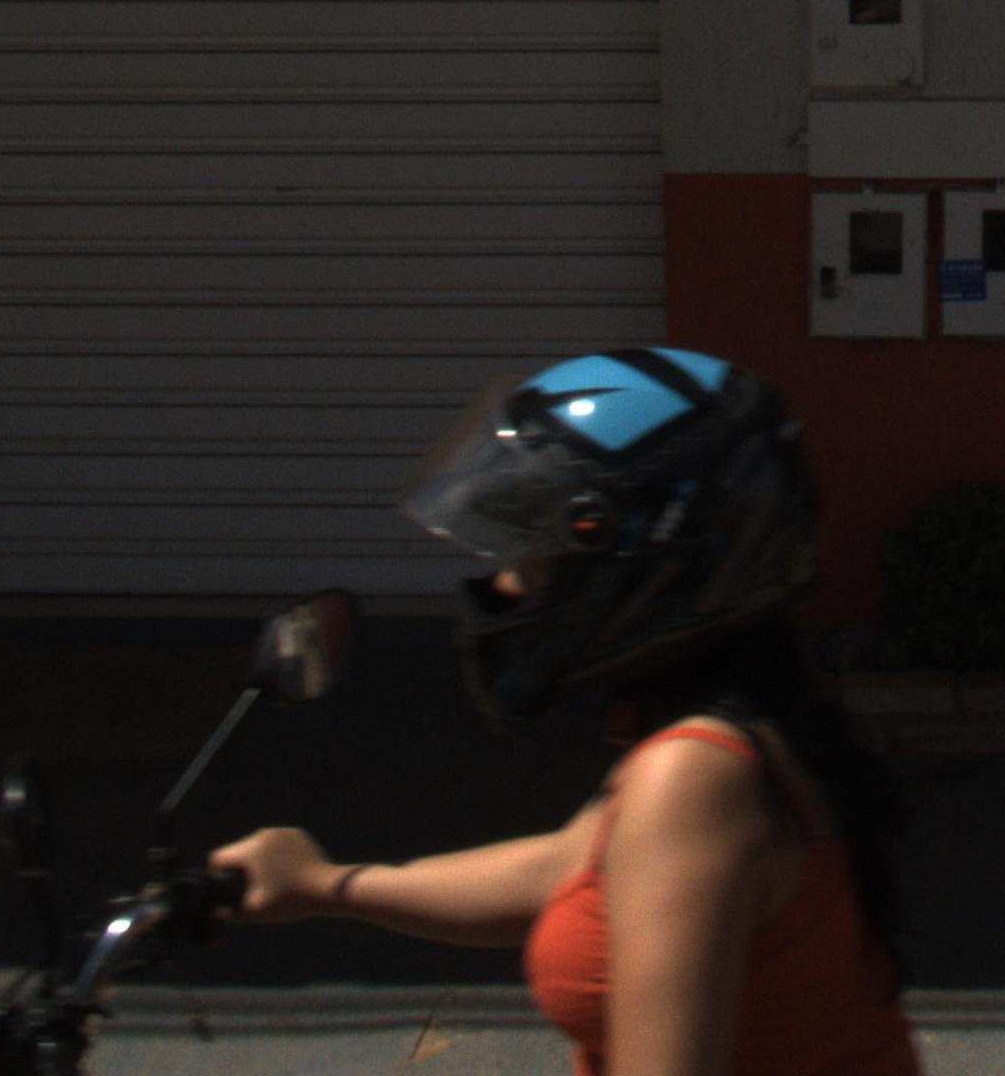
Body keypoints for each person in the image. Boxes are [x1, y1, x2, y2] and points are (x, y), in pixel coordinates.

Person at [212, 347, 917, 1076]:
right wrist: (324, 886)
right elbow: (567, 868)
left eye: (538, 552)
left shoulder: (695, 775)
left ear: (650, 562)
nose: (507, 584)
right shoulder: (743, 732)